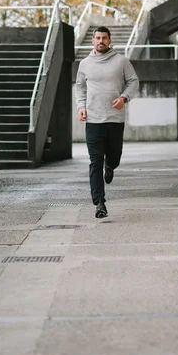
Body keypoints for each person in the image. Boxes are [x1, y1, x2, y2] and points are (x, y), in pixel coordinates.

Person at [75, 26, 139, 218]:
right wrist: (81, 107)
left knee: (114, 156)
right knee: (95, 162)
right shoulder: (85, 64)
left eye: (104, 38)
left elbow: (134, 82)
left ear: (110, 41)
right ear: (93, 41)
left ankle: (110, 165)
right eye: (97, 38)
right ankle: (99, 203)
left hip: (114, 119)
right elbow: (80, 87)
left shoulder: (121, 61)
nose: (100, 41)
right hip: (93, 120)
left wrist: (124, 98)